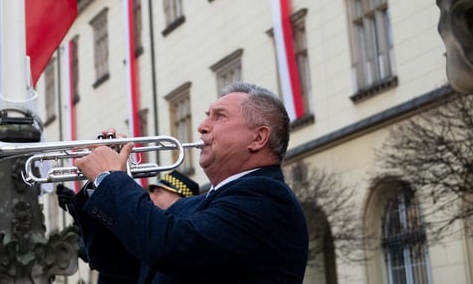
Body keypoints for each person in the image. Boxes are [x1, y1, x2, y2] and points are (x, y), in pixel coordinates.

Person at [70, 81, 309, 283]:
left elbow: (167, 247)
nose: (202, 126)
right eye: (208, 116)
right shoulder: (189, 207)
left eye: (220, 116)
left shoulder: (267, 199)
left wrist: (110, 179)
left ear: (258, 138)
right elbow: (114, 261)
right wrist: (96, 186)